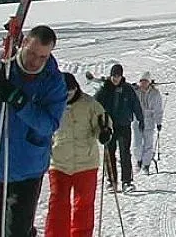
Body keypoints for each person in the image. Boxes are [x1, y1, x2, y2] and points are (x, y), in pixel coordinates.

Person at [0, 25, 67, 237]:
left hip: (27, 168)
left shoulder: (53, 82)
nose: (35, 61)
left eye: (43, 57)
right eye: (32, 53)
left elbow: (49, 124)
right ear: (24, 43)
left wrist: (20, 103)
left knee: (17, 232)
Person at [45, 73, 112, 237]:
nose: (68, 94)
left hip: (86, 162)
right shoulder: (50, 103)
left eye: (71, 91)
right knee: (58, 204)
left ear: (76, 88)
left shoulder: (90, 104)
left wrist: (104, 132)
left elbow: (103, 122)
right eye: (65, 91)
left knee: (84, 205)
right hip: (59, 163)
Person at [93, 63, 143, 192]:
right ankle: (112, 181)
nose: (116, 79)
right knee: (109, 154)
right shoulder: (104, 89)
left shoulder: (127, 89)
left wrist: (140, 119)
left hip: (124, 125)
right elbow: (93, 106)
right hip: (109, 127)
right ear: (110, 76)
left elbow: (136, 105)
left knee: (125, 153)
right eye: (114, 76)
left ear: (122, 76)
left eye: (118, 76)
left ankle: (127, 181)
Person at [131, 71, 164, 174]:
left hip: (149, 121)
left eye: (145, 81)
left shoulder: (155, 94)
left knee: (148, 144)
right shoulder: (135, 91)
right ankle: (139, 160)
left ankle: (146, 164)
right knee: (137, 144)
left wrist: (158, 122)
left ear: (149, 82)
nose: (143, 84)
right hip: (137, 120)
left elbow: (158, 109)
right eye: (141, 81)